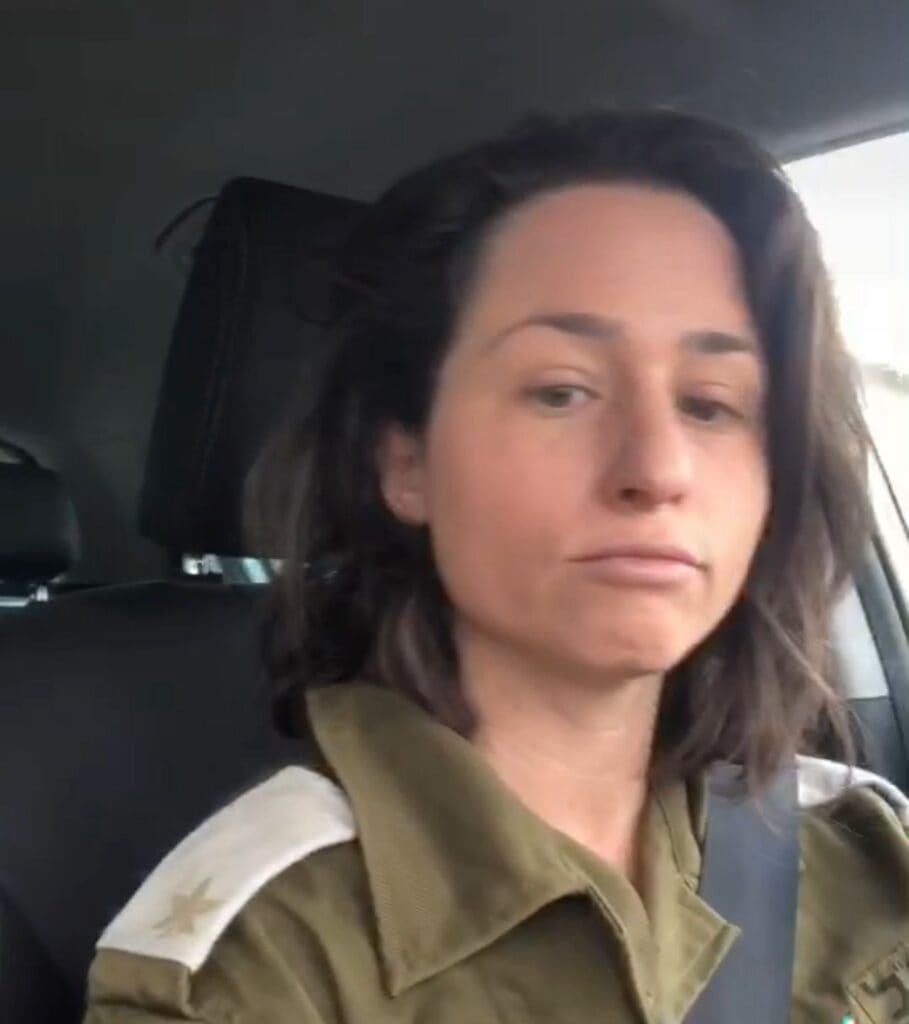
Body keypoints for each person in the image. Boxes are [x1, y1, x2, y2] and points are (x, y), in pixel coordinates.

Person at [83, 111, 909, 1024]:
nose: (656, 468)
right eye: (560, 391)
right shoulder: (261, 962)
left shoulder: (856, 851)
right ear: (405, 460)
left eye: (711, 404)